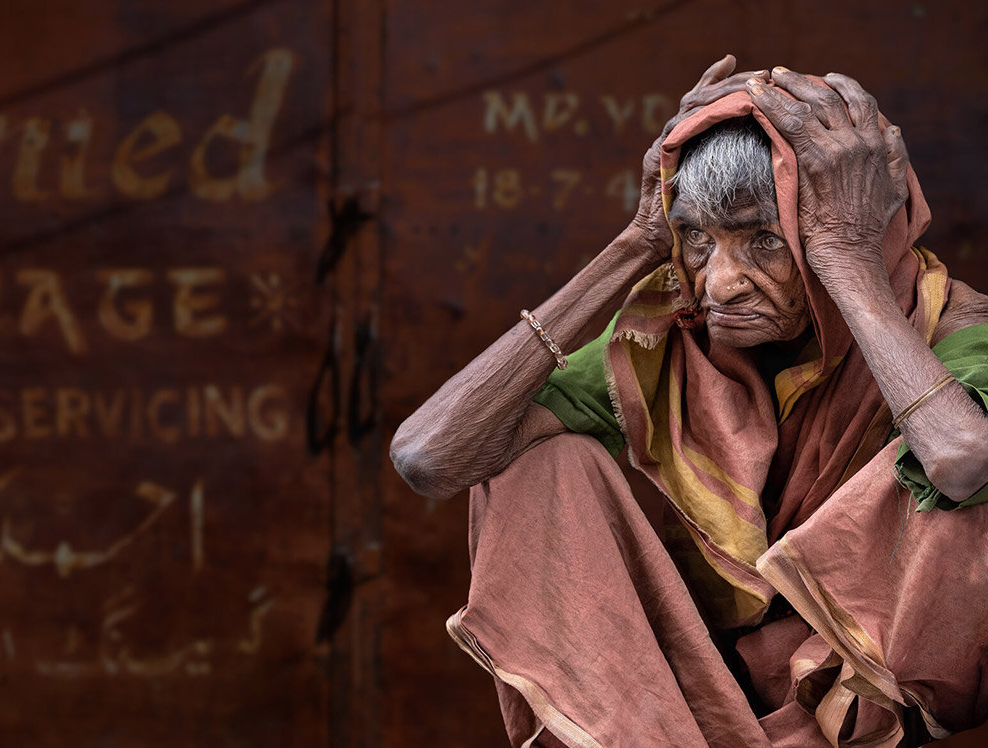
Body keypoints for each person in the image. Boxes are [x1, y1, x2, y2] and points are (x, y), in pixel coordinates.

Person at [390, 56, 988, 748]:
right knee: (537, 466)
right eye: (700, 238)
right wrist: (637, 240)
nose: (721, 283)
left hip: (850, 708)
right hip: (680, 714)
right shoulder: (670, 341)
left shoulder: (951, 328)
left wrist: (845, 257)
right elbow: (429, 456)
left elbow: (965, 459)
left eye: (765, 240)